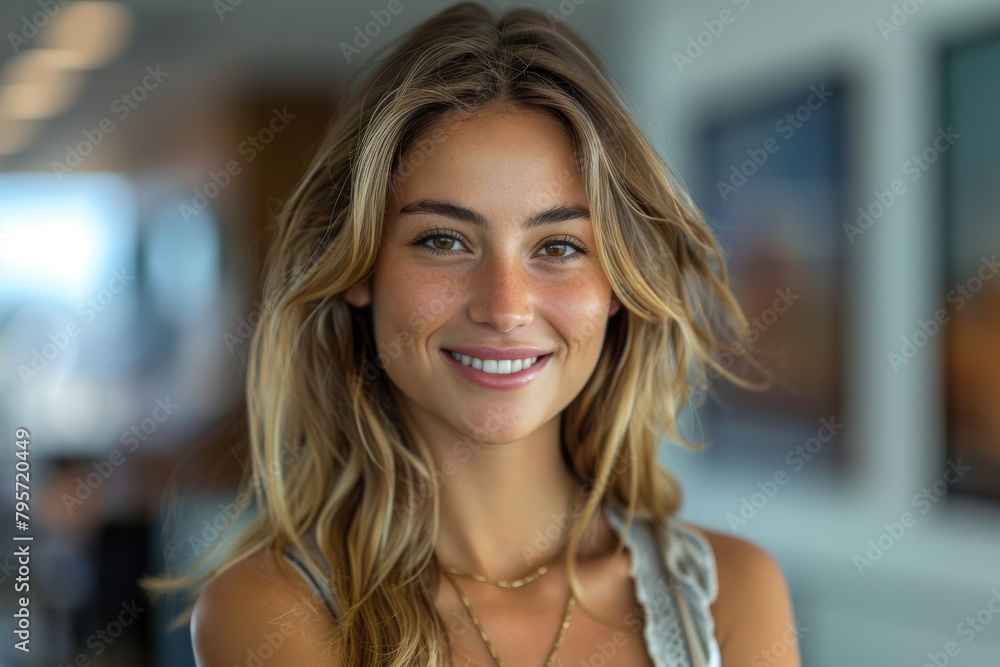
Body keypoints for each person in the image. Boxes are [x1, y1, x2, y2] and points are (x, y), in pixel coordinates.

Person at [143, 3, 800, 666]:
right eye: (444, 239)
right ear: (362, 265)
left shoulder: (732, 596)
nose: (505, 306)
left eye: (560, 245)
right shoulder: (270, 612)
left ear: (618, 286)